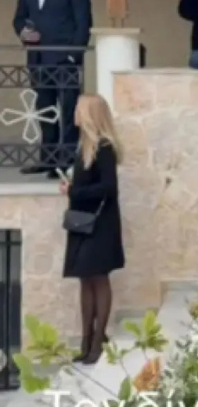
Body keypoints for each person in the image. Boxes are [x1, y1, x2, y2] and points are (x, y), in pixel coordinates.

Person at [12, 0, 92, 176]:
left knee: (67, 110)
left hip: (64, 57)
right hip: (37, 57)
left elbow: (83, 22)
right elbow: (19, 18)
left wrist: (74, 55)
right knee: (44, 109)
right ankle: (47, 160)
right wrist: (24, 32)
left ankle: (65, 162)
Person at [60, 95, 125, 365]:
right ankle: (86, 340)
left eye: (79, 108)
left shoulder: (104, 147)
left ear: (89, 114)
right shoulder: (84, 145)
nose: (74, 112)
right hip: (83, 222)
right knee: (85, 279)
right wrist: (71, 188)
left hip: (99, 223)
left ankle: (98, 340)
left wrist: (75, 191)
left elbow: (109, 188)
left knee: (98, 277)